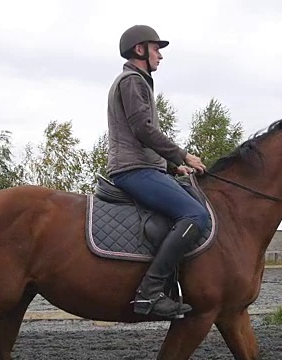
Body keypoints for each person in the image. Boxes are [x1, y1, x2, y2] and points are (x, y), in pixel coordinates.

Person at [105, 24, 209, 319]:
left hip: (145, 166)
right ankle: (150, 293)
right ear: (140, 49)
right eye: (156, 48)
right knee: (196, 215)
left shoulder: (139, 82)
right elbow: (143, 130)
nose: (160, 56)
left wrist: (175, 167)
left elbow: (145, 136)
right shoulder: (132, 81)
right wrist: (182, 153)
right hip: (132, 170)